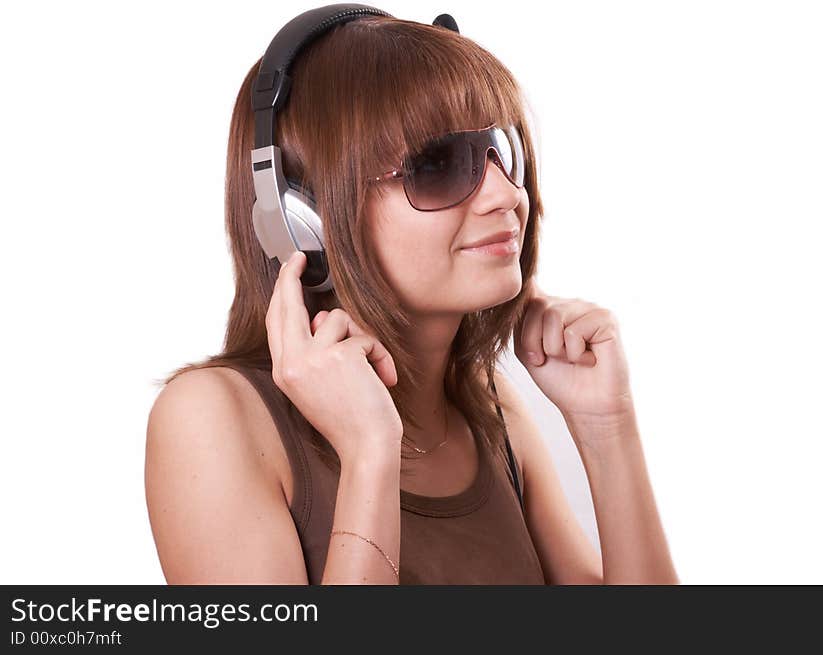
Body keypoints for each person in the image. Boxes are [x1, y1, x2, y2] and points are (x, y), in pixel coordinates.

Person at [144, 13, 678, 585]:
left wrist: (606, 425)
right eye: (437, 165)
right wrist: (369, 453)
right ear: (303, 221)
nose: (506, 193)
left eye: (502, 151)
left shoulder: (491, 412)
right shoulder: (211, 419)